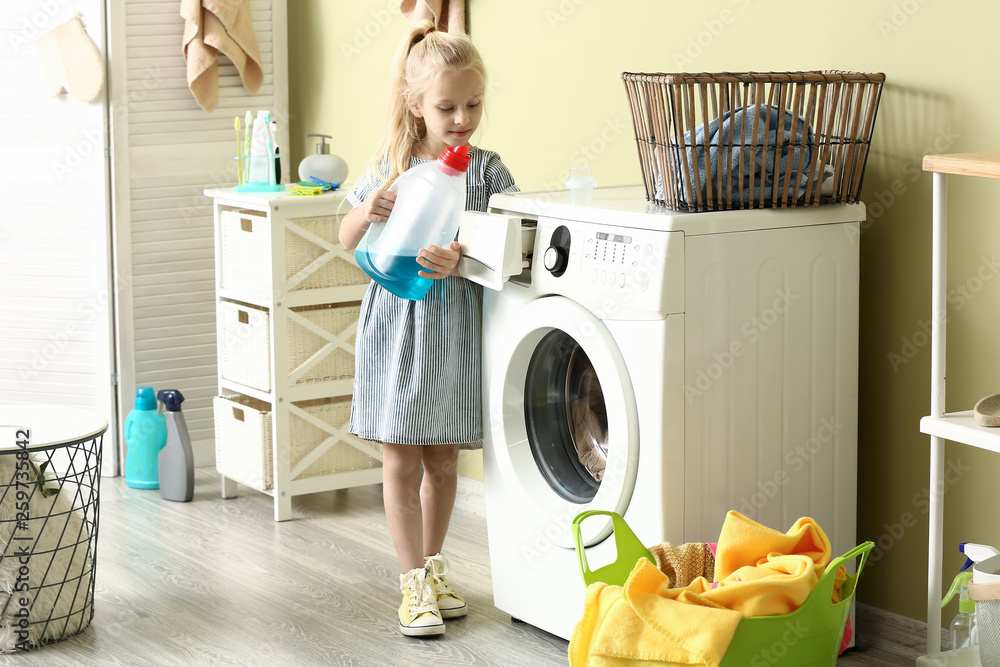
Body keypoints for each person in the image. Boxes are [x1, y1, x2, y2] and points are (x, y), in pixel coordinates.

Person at [338, 20, 518, 637]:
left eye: (472, 104)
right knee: (401, 458)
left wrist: (463, 257)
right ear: (417, 105)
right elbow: (346, 236)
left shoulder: (486, 171)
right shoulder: (392, 164)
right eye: (447, 106)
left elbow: (510, 241)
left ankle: (437, 566)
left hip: (455, 329)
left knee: (443, 459)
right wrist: (370, 208)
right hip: (397, 325)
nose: (462, 117)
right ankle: (411, 580)